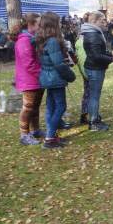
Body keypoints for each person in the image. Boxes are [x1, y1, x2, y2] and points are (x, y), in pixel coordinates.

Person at [82, 11, 113, 131]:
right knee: (94, 96)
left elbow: (100, 52)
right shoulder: (93, 35)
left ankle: (94, 117)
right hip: (95, 68)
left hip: (95, 67)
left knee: (94, 95)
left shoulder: (93, 32)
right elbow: (96, 55)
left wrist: (111, 56)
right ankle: (93, 122)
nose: (105, 23)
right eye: (102, 21)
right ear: (94, 22)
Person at [36, 12, 72, 149]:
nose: (61, 24)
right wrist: (70, 75)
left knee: (51, 107)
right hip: (54, 78)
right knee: (60, 106)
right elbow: (58, 64)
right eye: (58, 22)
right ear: (53, 24)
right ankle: (50, 138)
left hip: (48, 77)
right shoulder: (52, 41)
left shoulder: (42, 39)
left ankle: (51, 136)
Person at [13, 13, 45, 146]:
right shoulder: (24, 40)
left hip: (38, 79)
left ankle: (35, 130)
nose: (40, 26)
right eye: (38, 23)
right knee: (27, 107)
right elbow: (29, 63)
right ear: (30, 24)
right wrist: (43, 74)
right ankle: (24, 134)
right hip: (29, 80)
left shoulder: (32, 38)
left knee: (35, 106)